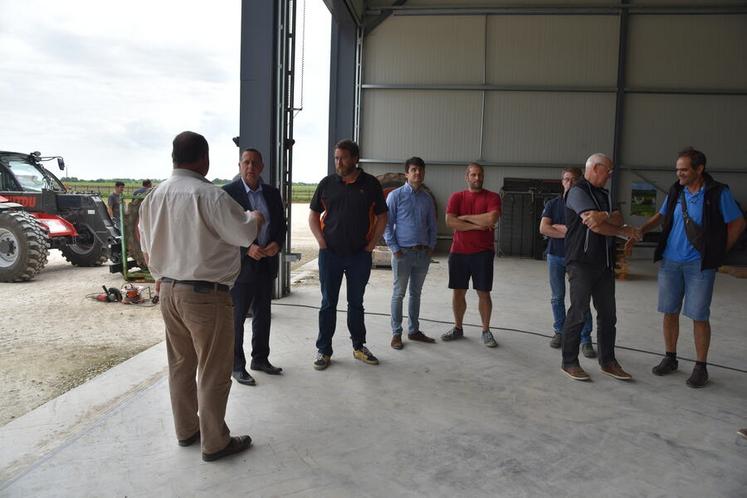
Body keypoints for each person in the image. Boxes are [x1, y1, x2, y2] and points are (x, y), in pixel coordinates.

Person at [138, 131, 263, 462]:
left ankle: (187, 430)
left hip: (168, 291)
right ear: (204, 159)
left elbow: (147, 244)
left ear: (173, 159)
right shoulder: (210, 196)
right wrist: (256, 218)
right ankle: (215, 441)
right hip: (205, 297)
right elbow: (244, 232)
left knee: (180, 366)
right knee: (212, 370)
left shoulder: (154, 197)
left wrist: (159, 276)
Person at [632, 147, 745, 388]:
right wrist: (641, 229)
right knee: (669, 311)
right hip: (670, 262)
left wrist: (719, 251)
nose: (679, 174)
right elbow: (661, 216)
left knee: (698, 315)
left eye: (684, 170)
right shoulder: (676, 190)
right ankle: (670, 358)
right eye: (677, 170)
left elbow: (737, 223)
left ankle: (700, 367)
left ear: (699, 169)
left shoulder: (717, 193)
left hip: (699, 265)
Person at [560, 153, 640, 381]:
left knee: (608, 315)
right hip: (581, 263)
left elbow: (616, 216)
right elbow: (594, 225)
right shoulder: (577, 191)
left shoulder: (604, 194)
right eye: (608, 171)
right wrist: (620, 229)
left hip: (604, 263)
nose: (610, 176)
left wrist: (607, 216)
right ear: (595, 168)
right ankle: (569, 362)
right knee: (578, 313)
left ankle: (608, 361)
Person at [308, 139, 388, 370]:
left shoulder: (371, 184)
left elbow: (383, 216)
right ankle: (324, 350)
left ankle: (359, 346)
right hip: (330, 254)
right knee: (327, 303)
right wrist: (321, 242)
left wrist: (371, 244)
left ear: (355, 158)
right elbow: (313, 214)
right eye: (336, 158)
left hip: (358, 255)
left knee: (356, 303)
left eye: (342, 157)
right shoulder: (327, 184)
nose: (338, 162)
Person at [223, 148, 287, 386]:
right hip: (241, 266)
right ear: (239, 165)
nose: (250, 167)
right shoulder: (228, 193)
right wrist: (246, 247)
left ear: (262, 167)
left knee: (263, 314)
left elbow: (281, 225)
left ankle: (260, 358)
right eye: (246, 162)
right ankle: (236, 366)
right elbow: (223, 229)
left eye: (255, 163)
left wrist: (276, 245)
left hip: (266, 262)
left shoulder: (272, 193)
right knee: (236, 318)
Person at [441, 162, 501, 347]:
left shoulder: (492, 196)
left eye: (480, 175)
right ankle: (458, 328)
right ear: (466, 177)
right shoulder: (457, 197)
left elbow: (491, 218)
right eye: (473, 175)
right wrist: (477, 225)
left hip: (483, 253)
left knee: (484, 292)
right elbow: (450, 222)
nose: (477, 178)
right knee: (458, 292)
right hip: (459, 252)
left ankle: (486, 330)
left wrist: (464, 217)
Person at [540, 167, 596, 357]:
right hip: (555, 255)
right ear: (562, 182)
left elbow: (590, 229)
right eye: (566, 179)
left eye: (573, 180)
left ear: (580, 181)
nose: (569, 183)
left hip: (578, 257)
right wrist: (572, 232)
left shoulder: (586, 205)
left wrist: (562, 229)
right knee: (557, 297)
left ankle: (585, 338)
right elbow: (544, 229)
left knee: (580, 299)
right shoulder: (553, 204)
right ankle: (560, 331)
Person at [383, 157, 438, 350]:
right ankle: (396, 333)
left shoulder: (427, 199)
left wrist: (431, 247)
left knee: (416, 294)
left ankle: (414, 330)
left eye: (420, 170)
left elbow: (433, 225)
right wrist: (395, 249)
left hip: (422, 255)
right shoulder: (395, 196)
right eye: (413, 170)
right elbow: (387, 225)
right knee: (399, 293)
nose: (417, 173)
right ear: (406, 173)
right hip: (403, 254)